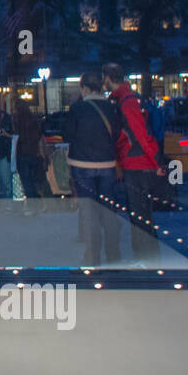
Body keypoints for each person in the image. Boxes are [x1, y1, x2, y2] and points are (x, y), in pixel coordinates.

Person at [102, 64, 165, 266]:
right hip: (138, 162)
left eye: (104, 78)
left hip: (136, 163)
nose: (103, 82)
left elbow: (138, 134)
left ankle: (146, 257)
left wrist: (155, 162)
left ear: (109, 78)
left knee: (139, 214)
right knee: (141, 213)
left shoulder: (126, 103)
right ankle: (148, 256)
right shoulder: (127, 99)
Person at [65, 73, 123, 266]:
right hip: (107, 164)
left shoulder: (77, 109)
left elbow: (68, 134)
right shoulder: (111, 108)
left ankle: (93, 257)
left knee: (89, 211)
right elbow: (116, 134)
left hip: (82, 165)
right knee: (108, 211)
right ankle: (114, 255)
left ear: (85, 89)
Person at [13, 99, 48, 214]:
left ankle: (33, 205)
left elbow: (17, 137)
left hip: (23, 154)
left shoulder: (17, 121)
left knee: (27, 182)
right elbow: (39, 137)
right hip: (34, 153)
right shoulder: (33, 121)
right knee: (33, 181)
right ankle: (38, 203)